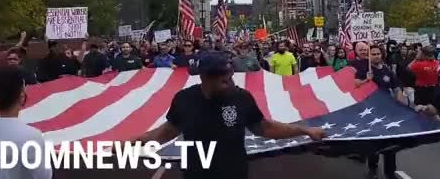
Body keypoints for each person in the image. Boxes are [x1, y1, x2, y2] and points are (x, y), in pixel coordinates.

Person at [132, 51, 324, 179]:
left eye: (231, 77)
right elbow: (164, 133)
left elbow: (265, 127)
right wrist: (126, 146)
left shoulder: (241, 98)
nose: (231, 83)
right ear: (205, 78)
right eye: (225, 80)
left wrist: (305, 130)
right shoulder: (184, 100)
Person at [355, 45, 404, 179]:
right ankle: (373, 168)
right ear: (369, 56)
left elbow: (396, 87)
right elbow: (355, 84)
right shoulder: (364, 70)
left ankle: (390, 171)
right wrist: (367, 80)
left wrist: (399, 103)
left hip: (387, 111)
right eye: (373, 54)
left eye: (378, 53)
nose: (376, 56)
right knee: (374, 141)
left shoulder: (388, 71)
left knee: (390, 142)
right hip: (371, 111)